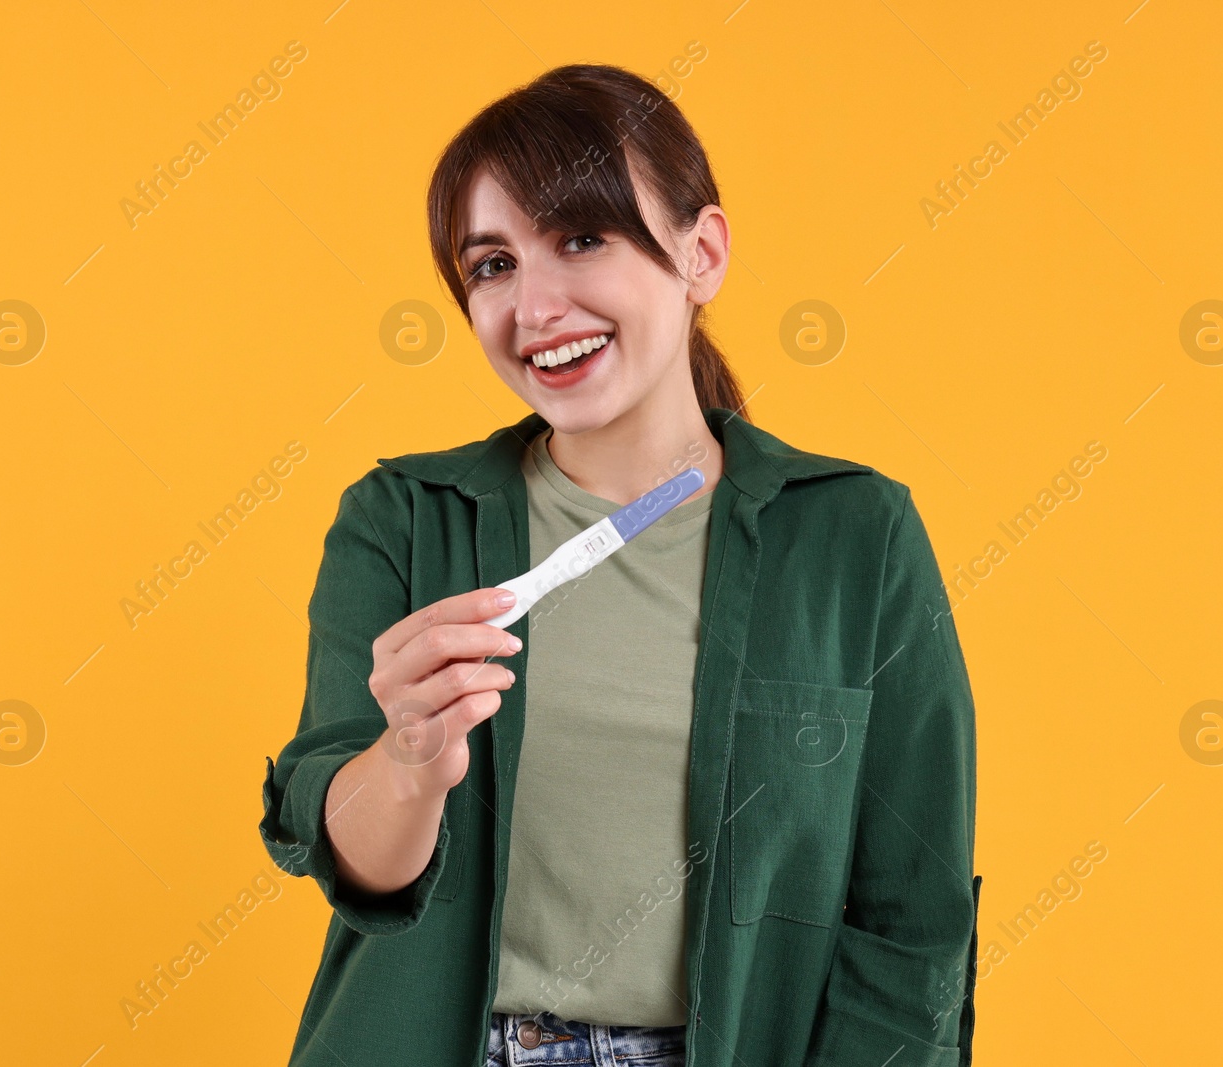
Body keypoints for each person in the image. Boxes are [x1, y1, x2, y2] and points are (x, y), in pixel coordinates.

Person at [259, 63, 982, 1067]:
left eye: (582, 238)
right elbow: (350, 860)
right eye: (492, 265)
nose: (535, 304)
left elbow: (915, 916)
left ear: (702, 254)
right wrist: (409, 760)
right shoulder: (404, 520)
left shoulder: (855, 536)